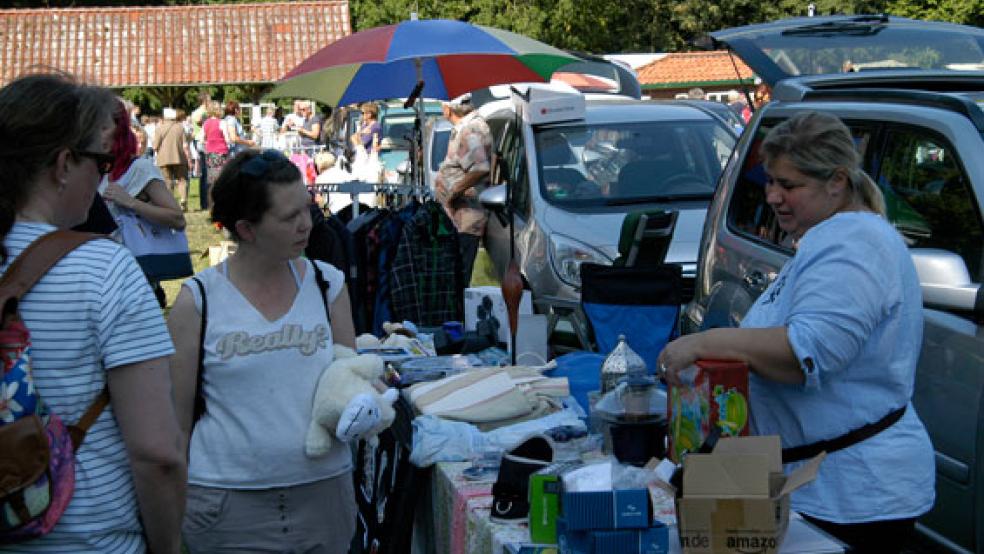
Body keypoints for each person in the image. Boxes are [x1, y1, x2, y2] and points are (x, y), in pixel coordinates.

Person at [657, 111, 935, 553]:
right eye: (770, 182)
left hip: (853, 493)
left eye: (789, 185)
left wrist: (702, 342)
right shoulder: (830, 238)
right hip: (824, 485)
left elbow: (803, 353)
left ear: (837, 181)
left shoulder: (853, 245)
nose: (773, 196)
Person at [0, 73, 185, 553]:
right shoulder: (104, 268)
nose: (104, 178)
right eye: (102, 163)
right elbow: (158, 453)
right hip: (88, 539)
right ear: (64, 164)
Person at [167, 149, 359, 553]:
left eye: (306, 209)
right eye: (289, 217)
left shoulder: (328, 286)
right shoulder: (198, 300)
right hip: (224, 505)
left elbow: (349, 386)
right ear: (246, 229)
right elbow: (176, 423)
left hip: (322, 497)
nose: (306, 224)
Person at [101, 102, 187, 308]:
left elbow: (177, 219)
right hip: (100, 273)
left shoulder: (139, 168)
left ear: (119, 131)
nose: (96, 134)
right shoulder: (90, 169)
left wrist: (130, 202)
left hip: (134, 275)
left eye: (103, 127)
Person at [434, 93, 492, 285]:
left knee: (460, 278)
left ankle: (460, 314)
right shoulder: (468, 127)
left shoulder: (469, 131)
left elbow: (481, 167)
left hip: (466, 218)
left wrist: (452, 194)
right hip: (462, 217)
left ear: (447, 109)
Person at [153, 107, 191, 211]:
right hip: (179, 157)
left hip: (164, 159)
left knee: (167, 181)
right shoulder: (180, 127)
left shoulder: (159, 128)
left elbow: (155, 146)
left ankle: (170, 204)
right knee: (182, 180)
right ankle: (183, 200)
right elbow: (185, 144)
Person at [202, 101, 229, 193]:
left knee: (212, 176)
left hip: (210, 152)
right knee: (222, 175)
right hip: (221, 151)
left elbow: (202, 138)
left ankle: (212, 197)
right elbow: (227, 139)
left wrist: (208, 142)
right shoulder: (222, 122)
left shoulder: (206, 123)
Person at [190, 92, 211, 210]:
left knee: (204, 173)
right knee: (206, 173)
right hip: (203, 142)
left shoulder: (195, 112)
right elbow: (199, 122)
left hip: (199, 142)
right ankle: (205, 201)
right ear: (205, 101)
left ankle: (204, 202)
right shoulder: (202, 113)